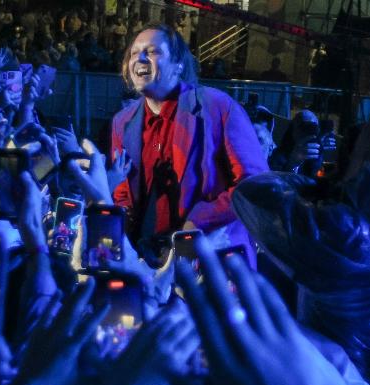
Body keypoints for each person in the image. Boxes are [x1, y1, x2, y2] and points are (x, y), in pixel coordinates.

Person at [110, 24, 269, 265]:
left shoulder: (218, 107)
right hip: (146, 260)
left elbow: (254, 184)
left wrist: (199, 221)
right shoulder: (123, 121)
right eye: (134, 53)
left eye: (152, 51)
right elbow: (123, 189)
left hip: (211, 259)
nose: (139, 58)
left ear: (178, 64)